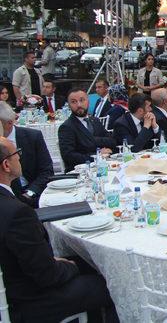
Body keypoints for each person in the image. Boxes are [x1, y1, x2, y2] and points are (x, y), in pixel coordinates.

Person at [0, 137, 118, 323]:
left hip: (14, 283)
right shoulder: (17, 213)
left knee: (86, 263)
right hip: (28, 300)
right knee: (113, 284)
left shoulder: (10, 205)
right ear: (6, 165)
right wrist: (69, 266)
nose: (20, 158)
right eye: (17, 154)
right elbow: (47, 275)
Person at [0, 102, 53, 206]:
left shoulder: (32, 137)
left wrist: (30, 193)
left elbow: (47, 170)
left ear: (9, 123)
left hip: (31, 192)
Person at [58, 89, 116, 171]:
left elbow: (111, 141)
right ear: (69, 105)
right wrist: (97, 155)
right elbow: (69, 156)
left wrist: (90, 141)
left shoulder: (95, 121)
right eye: (74, 102)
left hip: (103, 167)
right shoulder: (66, 127)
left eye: (82, 100)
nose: (79, 105)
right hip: (80, 171)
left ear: (88, 101)